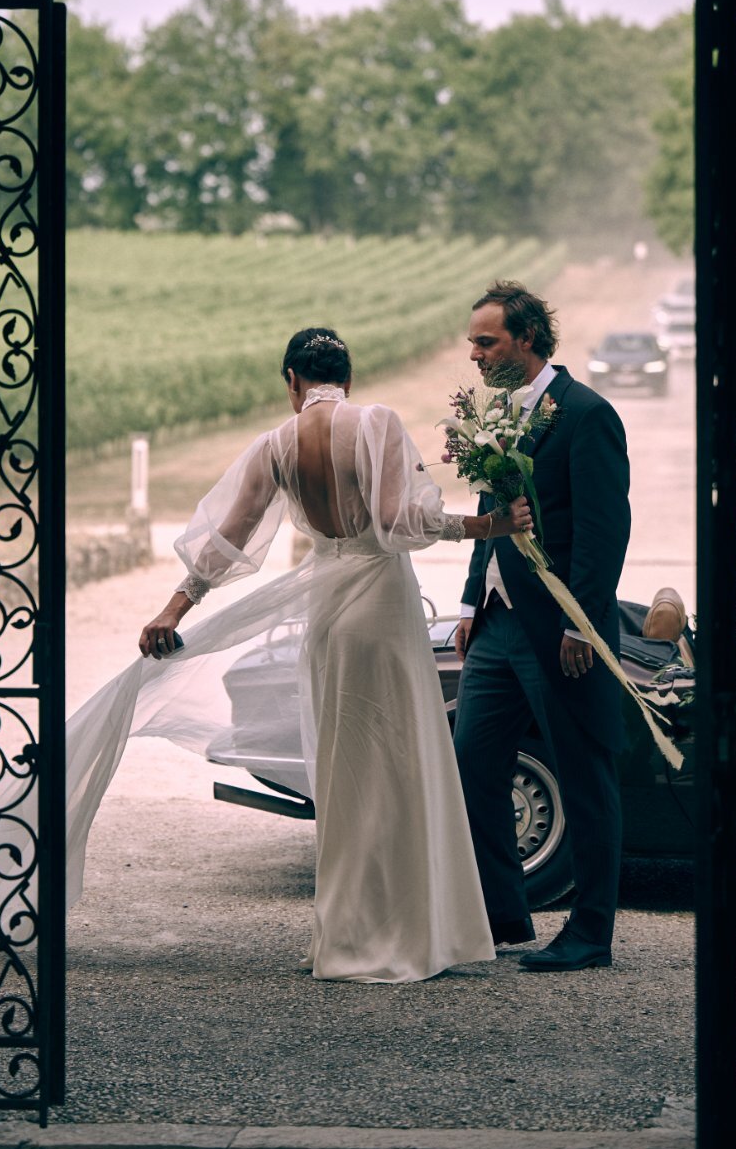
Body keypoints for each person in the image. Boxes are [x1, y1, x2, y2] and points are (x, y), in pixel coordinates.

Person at [61, 326, 533, 984]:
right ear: (348, 375)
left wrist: (174, 607)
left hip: (330, 617)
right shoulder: (378, 422)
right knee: (400, 763)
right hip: (381, 608)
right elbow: (402, 522)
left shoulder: (277, 444)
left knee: (344, 774)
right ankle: (416, 930)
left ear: (292, 381)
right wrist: (486, 526)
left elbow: (229, 538)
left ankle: (346, 934)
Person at [454, 282, 631, 972]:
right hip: (498, 626)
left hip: (562, 630)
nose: (473, 353)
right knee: (473, 764)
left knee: (586, 776)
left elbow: (602, 532)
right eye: (473, 341)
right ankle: (503, 917)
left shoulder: (588, 415)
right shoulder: (496, 414)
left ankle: (591, 934)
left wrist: (581, 625)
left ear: (526, 338)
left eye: (486, 341)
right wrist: (471, 603)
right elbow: (489, 509)